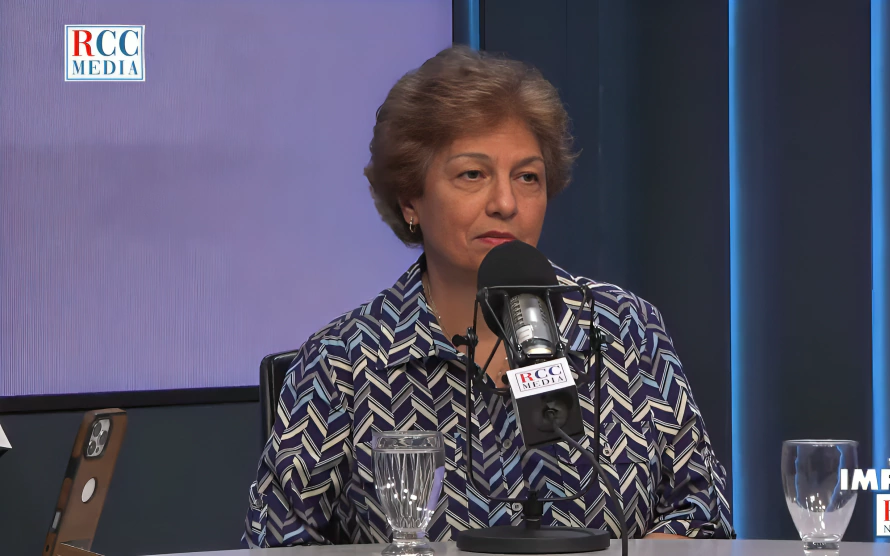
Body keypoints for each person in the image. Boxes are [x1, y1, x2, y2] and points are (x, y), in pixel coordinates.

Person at [243, 45, 733, 547]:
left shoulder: (621, 326)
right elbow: (278, 544)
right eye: (472, 175)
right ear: (411, 198)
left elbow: (703, 514)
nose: (505, 203)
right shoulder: (344, 361)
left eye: (527, 177)